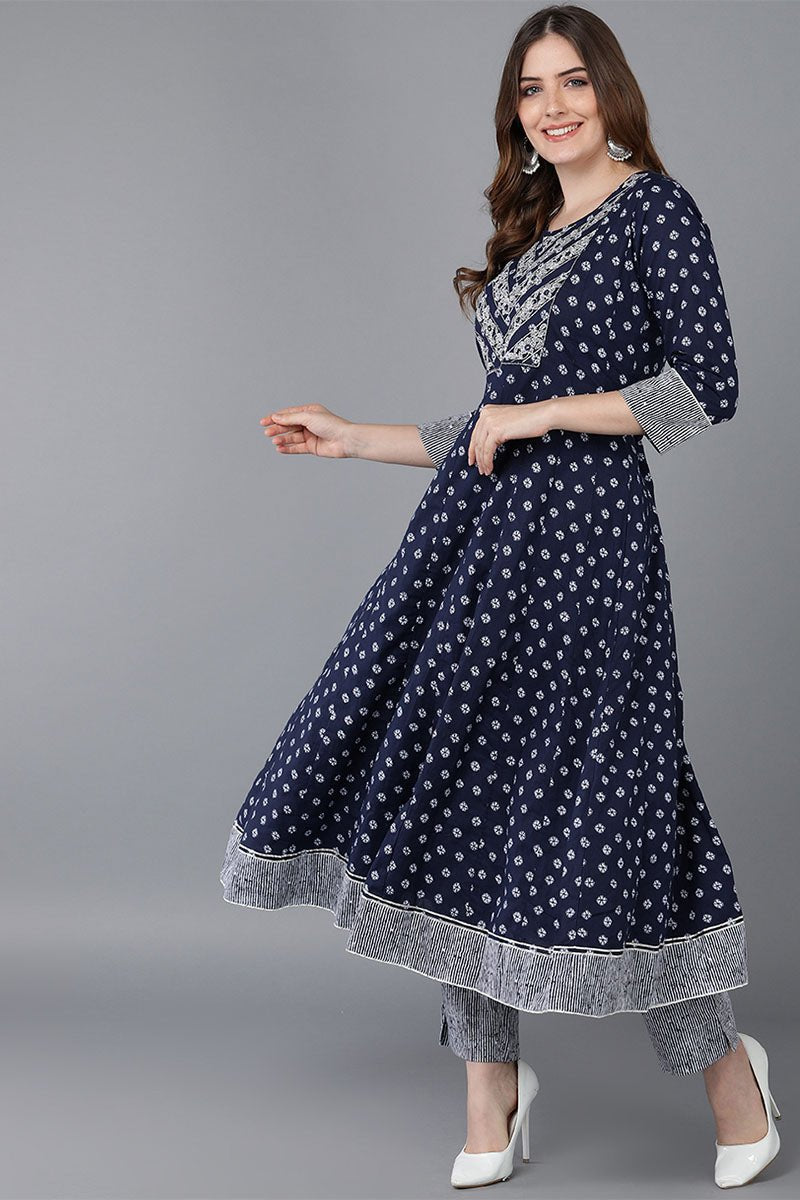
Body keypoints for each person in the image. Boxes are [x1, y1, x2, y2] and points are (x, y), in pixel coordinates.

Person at [220, 4, 782, 1190]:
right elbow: (484, 430)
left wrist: (542, 413)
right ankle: (490, 1087)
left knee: (624, 805)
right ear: (513, 115)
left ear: (610, 92)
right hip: (478, 550)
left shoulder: (654, 211)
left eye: (572, 81)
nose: (553, 106)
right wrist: (350, 438)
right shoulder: (527, 234)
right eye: (531, 90)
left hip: (592, 553)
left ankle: (730, 1075)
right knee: (458, 793)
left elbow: (704, 389)